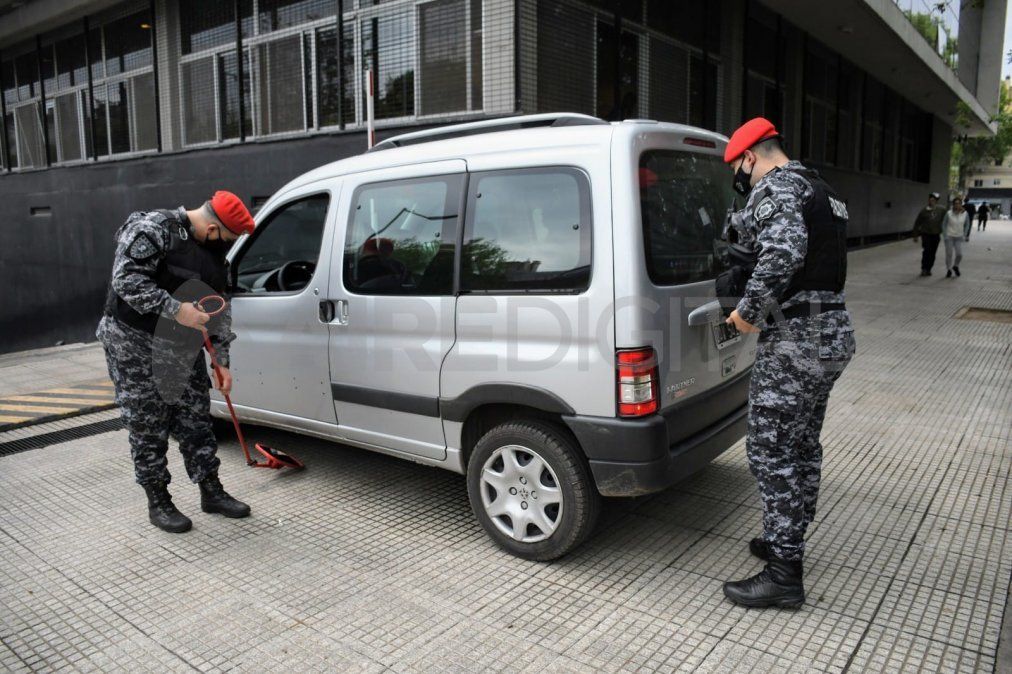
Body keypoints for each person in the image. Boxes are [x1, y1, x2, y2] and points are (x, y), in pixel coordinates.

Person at [720, 118, 856, 608]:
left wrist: (746, 313)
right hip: (832, 332)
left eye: (739, 169)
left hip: (797, 337)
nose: (742, 179)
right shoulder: (820, 188)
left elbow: (782, 253)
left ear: (751, 156)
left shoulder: (776, 186)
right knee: (801, 444)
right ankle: (787, 537)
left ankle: (783, 576)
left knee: (769, 449)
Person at [98, 191, 255, 533]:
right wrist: (176, 309)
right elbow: (125, 280)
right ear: (213, 227)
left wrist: (221, 361)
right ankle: (158, 500)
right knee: (147, 424)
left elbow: (219, 308)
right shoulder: (153, 229)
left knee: (196, 419)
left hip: (182, 348)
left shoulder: (216, 256)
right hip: (135, 344)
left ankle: (210, 490)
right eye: (227, 238)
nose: (226, 245)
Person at [911, 192, 945, 276]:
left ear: (937, 201)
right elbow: (917, 223)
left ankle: (929, 268)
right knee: (926, 251)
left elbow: (949, 217)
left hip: (936, 235)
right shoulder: (924, 211)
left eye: (934, 200)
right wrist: (915, 235)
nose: (932, 201)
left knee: (933, 253)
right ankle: (924, 268)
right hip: (926, 234)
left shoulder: (941, 209)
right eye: (930, 199)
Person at [942, 197, 967, 278]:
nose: (957, 205)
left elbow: (967, 224)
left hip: (959, 237)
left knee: (959, 254)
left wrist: (965, 234)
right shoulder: (949, 213)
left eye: (959, 203)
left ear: (961, 204)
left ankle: (955, 266)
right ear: (953, 204)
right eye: (955, 203)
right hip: (949, 236)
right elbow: (944, 224)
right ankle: (949, 269)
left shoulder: (965, 213)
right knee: (949, 254)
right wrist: (945, 235)